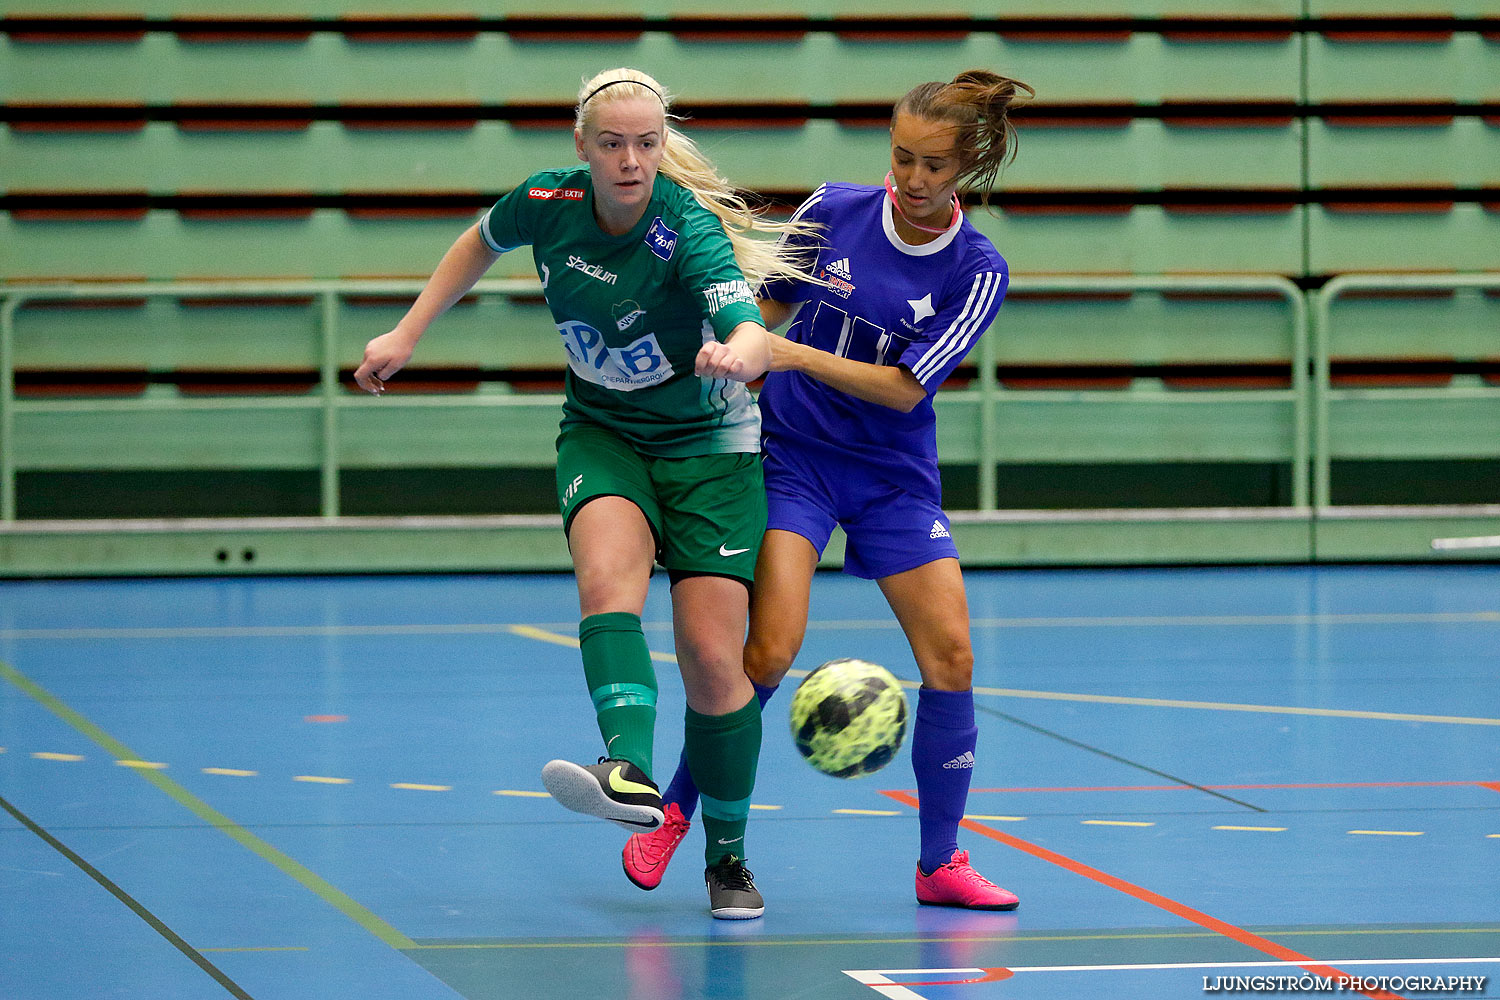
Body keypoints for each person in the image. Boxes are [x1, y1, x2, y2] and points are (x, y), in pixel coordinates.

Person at [353, 67, 821, 920]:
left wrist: (740, 351)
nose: (632, 160)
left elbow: (746, 323)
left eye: (646, 143)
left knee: (716, 665)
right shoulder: (547, 201)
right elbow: (477, 241)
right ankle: (626, 767)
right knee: (608, 583)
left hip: (710, 447)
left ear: (661, 144)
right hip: (603, 434)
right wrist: (408, 331)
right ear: (583, 146)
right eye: (613, 143)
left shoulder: (684, 226)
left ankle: (729, 860)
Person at [623, 69, 1033, 911]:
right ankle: (672, 812)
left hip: (892, 480)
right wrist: (732, 357)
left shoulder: (976, 271)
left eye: (933, 166)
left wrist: (794, 357)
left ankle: (940, 864)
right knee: (767, 653)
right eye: (901, 157)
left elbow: (902, 389)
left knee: (952, 656)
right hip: (793, 460)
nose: (912, 179)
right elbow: (761, 313)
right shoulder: (832, 211)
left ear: (970, 168)